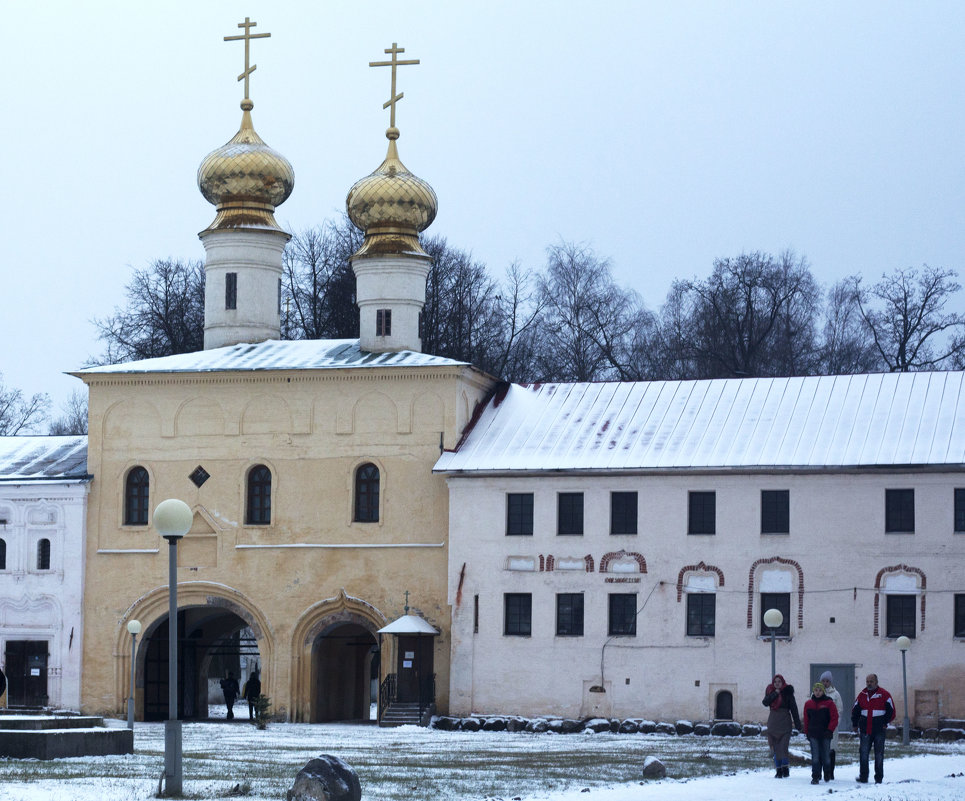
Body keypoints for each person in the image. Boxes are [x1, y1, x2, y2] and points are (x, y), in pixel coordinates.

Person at [851, 673, 895, 784]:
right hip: (865, 729)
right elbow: (855, 710)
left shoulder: (884, 695)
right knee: (864, 753)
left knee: (879, 754)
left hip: (879, 730)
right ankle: (863, 776)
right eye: (867, 681)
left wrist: (885, 722)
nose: (869, 683)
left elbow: (891, 711)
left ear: (876, 682)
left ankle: (878, 778)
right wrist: (855, 724)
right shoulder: (862, 694)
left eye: (871, 681)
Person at [762, 674, 802, 778]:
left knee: (783, 746)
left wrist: (798, 724)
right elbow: (765, 702)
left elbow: (794, 709)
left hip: (785, 722)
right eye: (775, 682)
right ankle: (778, 769)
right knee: (775, 747)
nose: (777, 683)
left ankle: (785, 768)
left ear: (783, 682)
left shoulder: (788, 692)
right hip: (773, 722)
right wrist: (775, 693)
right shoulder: (770, 691)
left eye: (779, 681)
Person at [803, 682, 838, 784]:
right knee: (815, 756)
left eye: (820, 690)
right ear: (813, 691)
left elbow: (834, 718)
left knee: (826, 755)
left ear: (823, 691)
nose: (818, 692)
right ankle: (815, 776)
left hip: (825, 733)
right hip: (813, 733)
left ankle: (827, 772)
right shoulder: (808, 704)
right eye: (816, 690)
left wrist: (830, 730)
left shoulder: (829, 703)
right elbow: (806, 719)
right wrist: (807, 732)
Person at [820, 670, 844, 780]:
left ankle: (830, 772)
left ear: (830, 682)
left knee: (831, 750)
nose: (825, 683)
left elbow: (839, 710)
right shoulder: (816, 692)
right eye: (823, 681)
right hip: (819, 727)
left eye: (827, 681)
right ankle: (820, 772)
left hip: (832, 727)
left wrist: (835, 724)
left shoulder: (836, 694)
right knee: (820, 750)